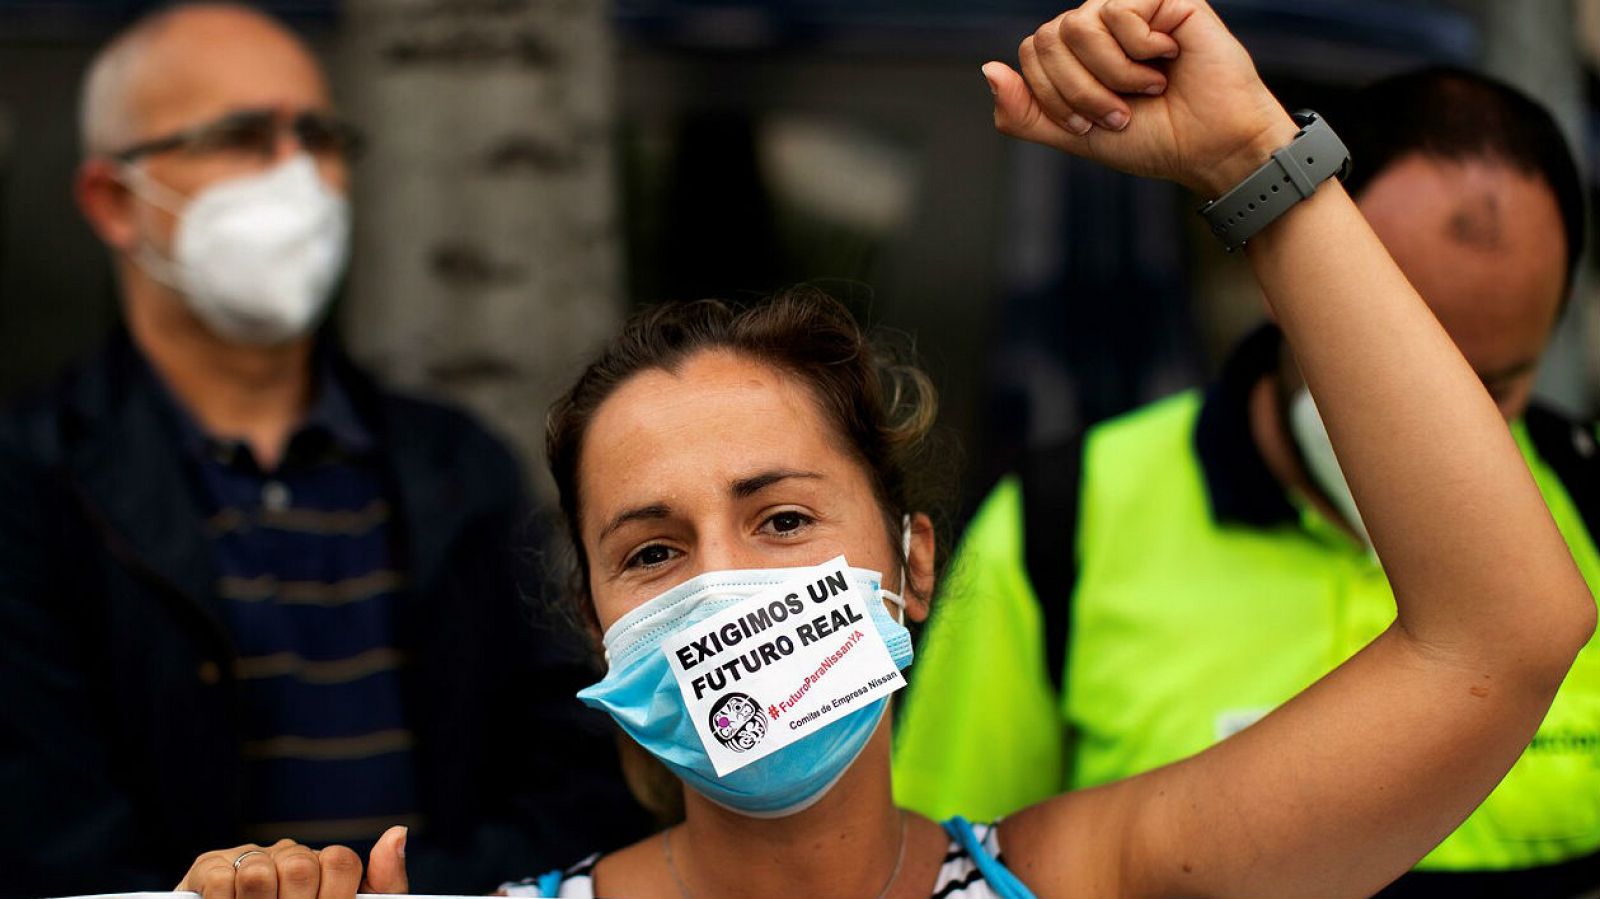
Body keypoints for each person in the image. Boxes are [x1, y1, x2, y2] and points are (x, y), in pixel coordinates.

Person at [167, 1, 1597, 897]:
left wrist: (1248, 167)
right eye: (652, 547)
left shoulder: (1098, 875)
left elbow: (1506, 626)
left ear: (908, 559)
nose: (724, 581)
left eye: (782, 516)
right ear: (599, 623)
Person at [892, 64, 1600, 898]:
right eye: (1407, 363)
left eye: (1496, 386)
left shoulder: (1587, 508)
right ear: (1295, 287)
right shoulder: (1066, 524)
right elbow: (940, 865)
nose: (1448, 426)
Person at [0, 5, 646, 897]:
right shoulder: (28, 482)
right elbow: (49, 832)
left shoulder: (456, 464)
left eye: (317, 135)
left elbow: (577, 775)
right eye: (242, 137)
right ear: (115, 201)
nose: (296, 175)